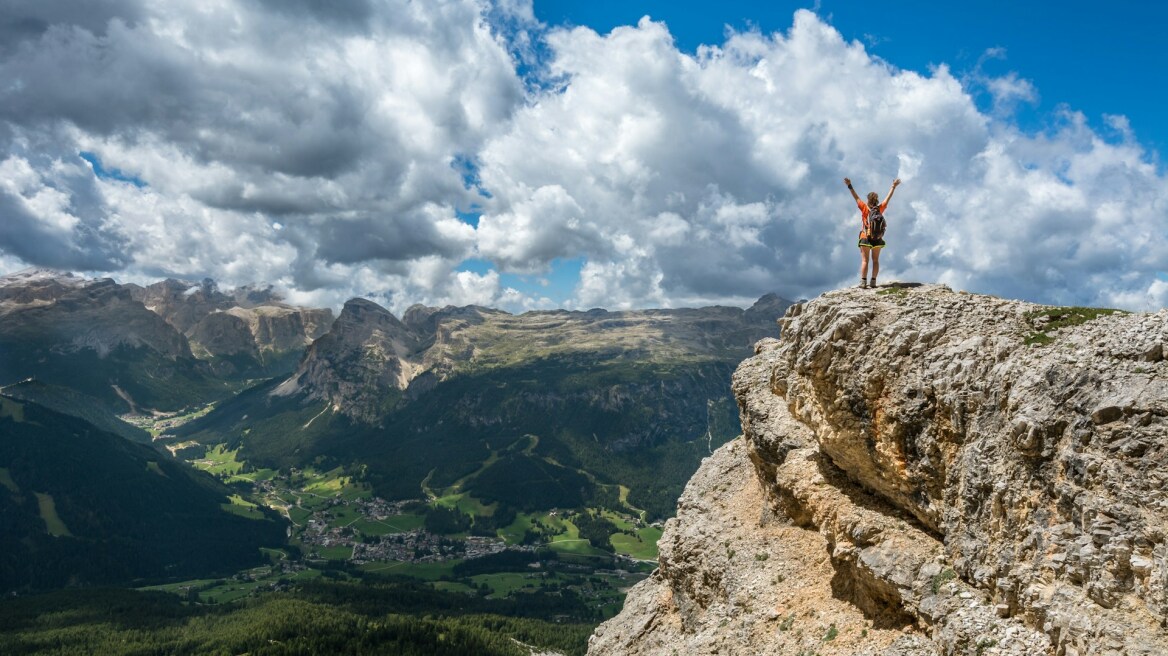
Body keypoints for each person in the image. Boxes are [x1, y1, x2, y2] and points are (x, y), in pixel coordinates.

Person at [844, 177, 900, 288]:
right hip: (878, 238)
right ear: (876, 200)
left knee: (865, 260)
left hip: (865, 237)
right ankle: (873, 281)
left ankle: (863, 282)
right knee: (875, 260)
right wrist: (893, 186)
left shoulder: (864, 207)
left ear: (868, 200)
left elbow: (855, 197)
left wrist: (849, 185)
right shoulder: (880, 209)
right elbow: (888, 198)